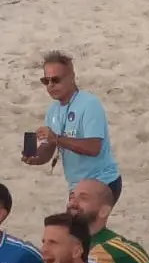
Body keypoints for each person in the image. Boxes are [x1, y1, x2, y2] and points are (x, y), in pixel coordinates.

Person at [22, 51, 122, 202]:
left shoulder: (89, 104)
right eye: (46, 81)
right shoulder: (53, 110)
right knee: (73, 225)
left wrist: (56, 139)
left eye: (55, 80)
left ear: (72, 77)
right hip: (76, 186)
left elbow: (94, 148)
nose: (50, 85)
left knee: (80, 225)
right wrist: (35, 157)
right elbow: (49, 151)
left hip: (102, 181)